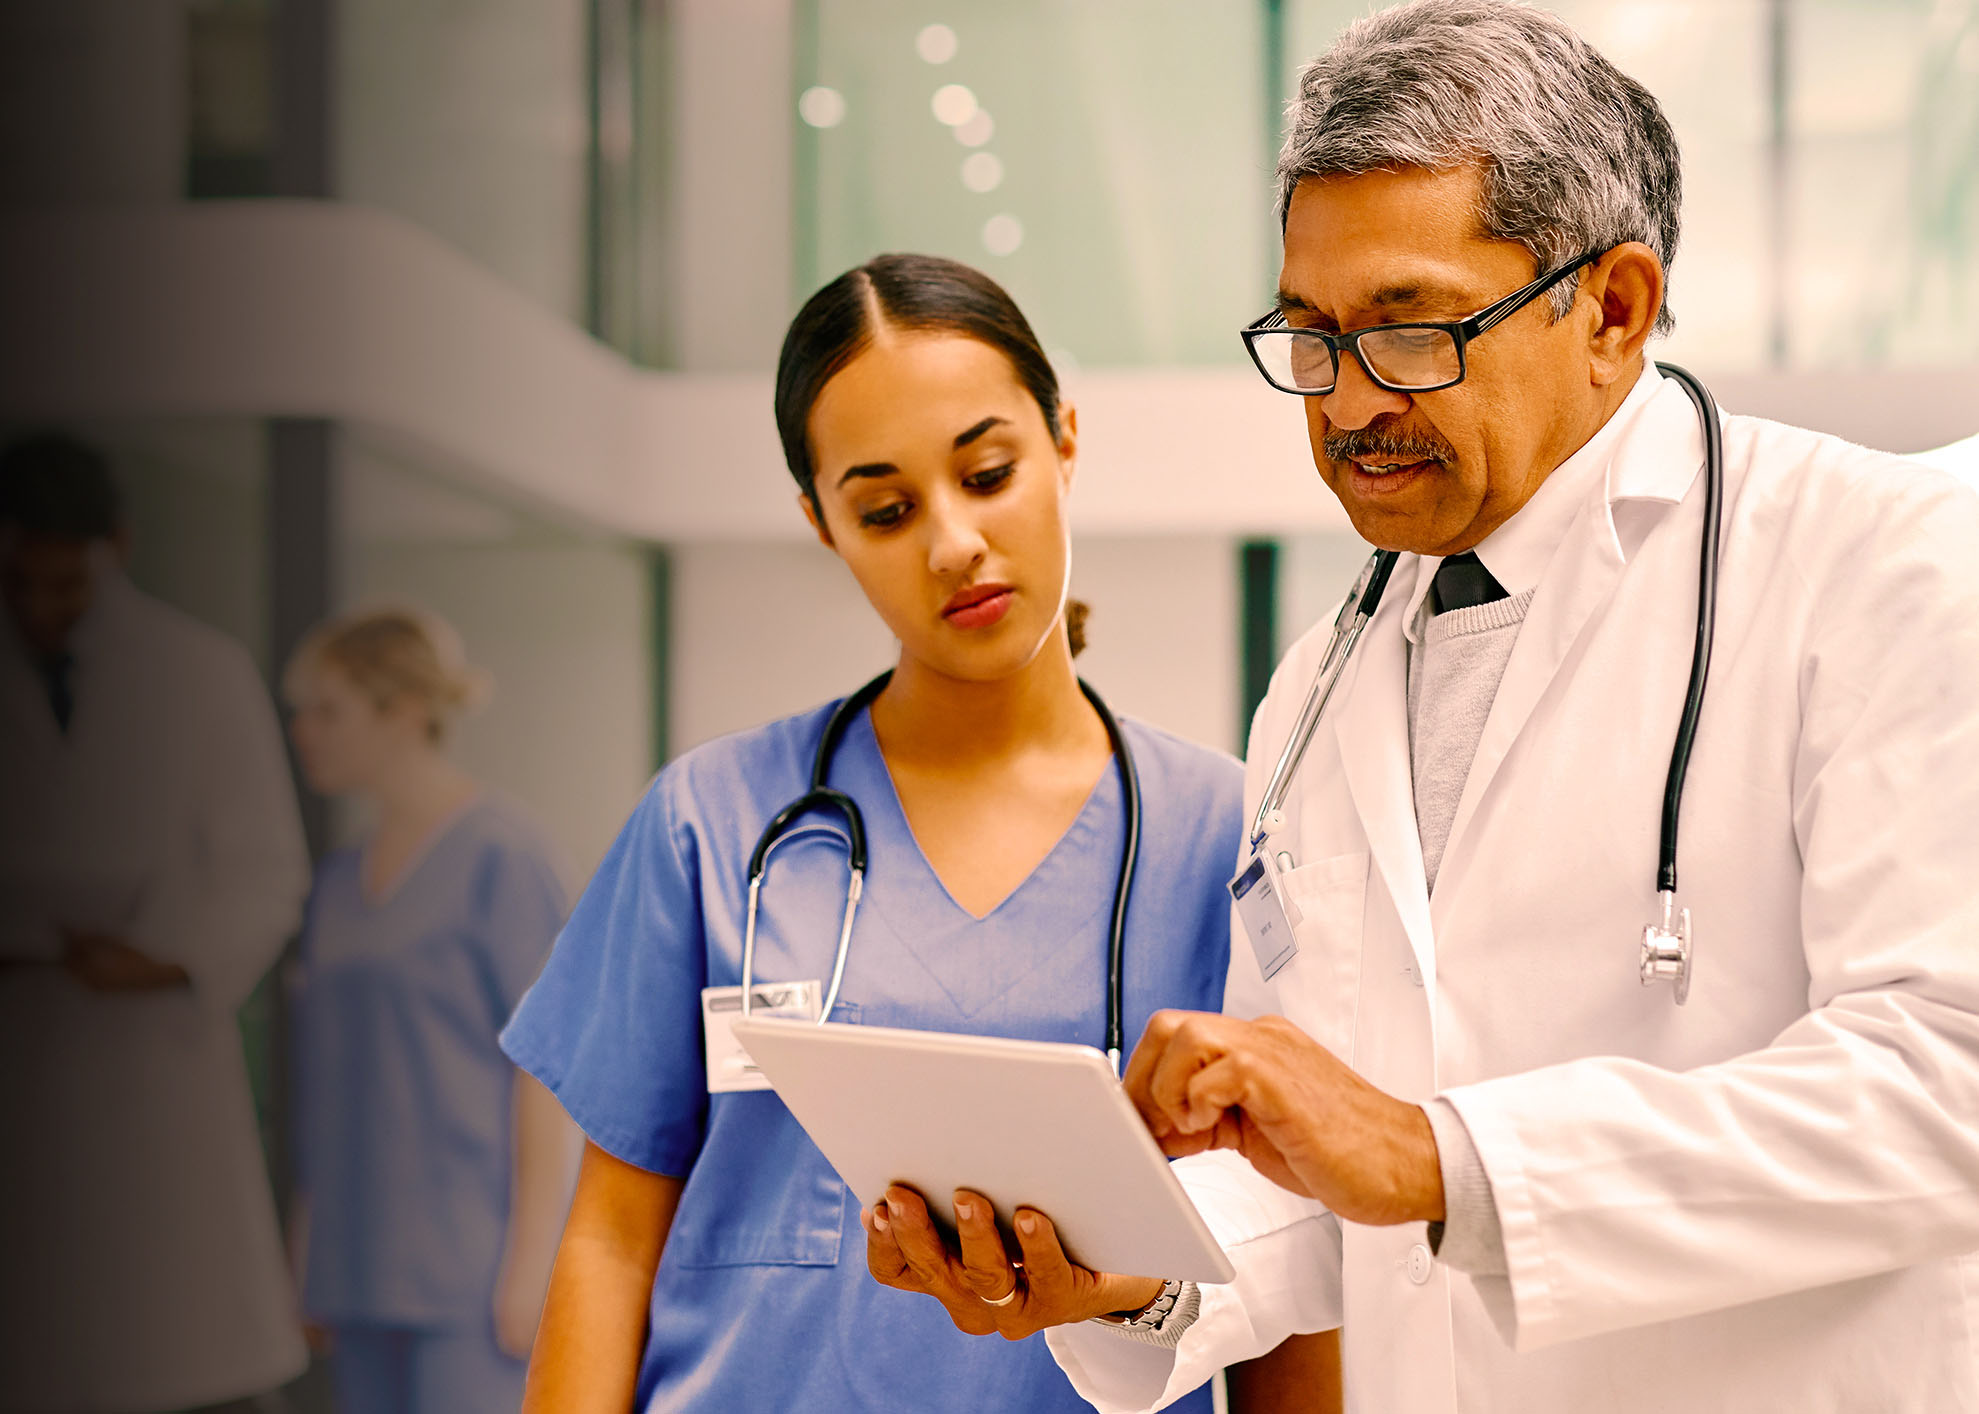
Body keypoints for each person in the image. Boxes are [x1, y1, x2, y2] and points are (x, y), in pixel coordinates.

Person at [868, 4, 1979, 1410]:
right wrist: (1126, 1268)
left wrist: (1439, 1155)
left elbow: (1946, 1088)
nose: (1344, 405)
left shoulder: (1874, 562)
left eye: (1407, 332)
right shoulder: (1316, 688)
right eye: (1309, 336)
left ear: (1612, 308)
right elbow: (1314, 1186)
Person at [498, 253, 1243, 1412]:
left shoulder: (1225, 837)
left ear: (1064, 441)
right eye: (885, 509)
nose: (950, 543)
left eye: (987, 472)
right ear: (821, 523)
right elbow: (608, 1241)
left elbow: (1299, 1269)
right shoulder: (711, 825)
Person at [0, 433, 310, 1411]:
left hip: (150, 1040)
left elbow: (266, 869)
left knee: (166, 1353)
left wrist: (166, 961)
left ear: (117, 549)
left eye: (67, 583)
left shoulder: (198, 672)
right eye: (22, 580)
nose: (44, 607)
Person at [283, 607, 578, 1413]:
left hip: (468, 1269)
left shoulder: (501, 856)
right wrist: (307, 1246)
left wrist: (532, 1260)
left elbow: (548, 1070)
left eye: (325, 710)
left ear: (403, 711)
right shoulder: (338, 883)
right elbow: (328, 1077)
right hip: (355, 1261)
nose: (303, 732)